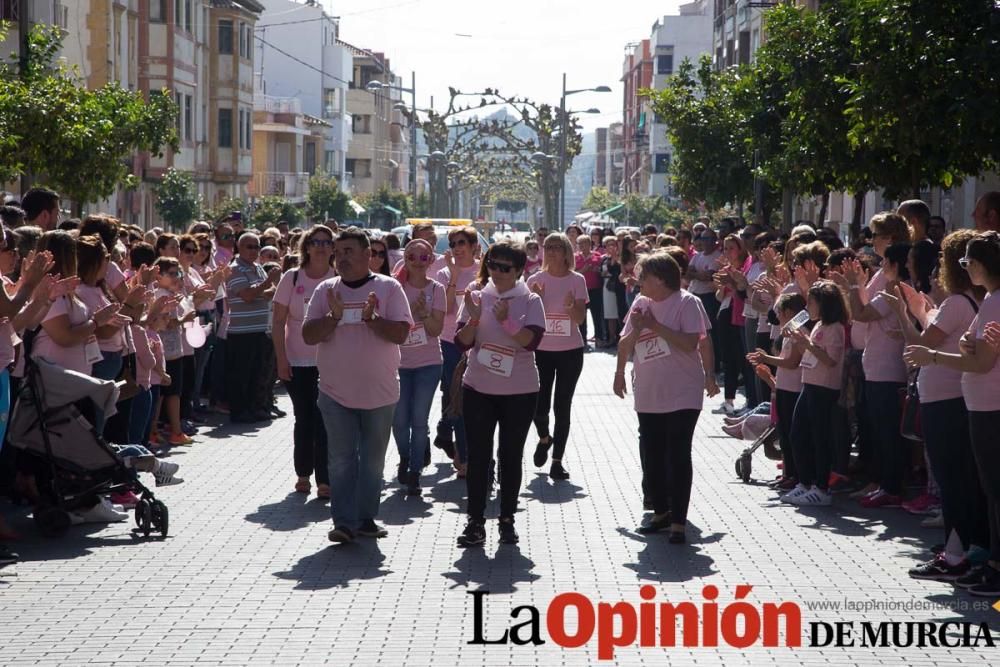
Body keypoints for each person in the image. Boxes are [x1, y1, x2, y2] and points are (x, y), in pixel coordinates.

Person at [879, 230, 987, 581]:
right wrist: (921, 311)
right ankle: (959, 547)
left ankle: (955, 554)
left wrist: (902, 312)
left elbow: (919, 347)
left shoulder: (957, 302)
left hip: (947, 401)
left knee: (953, 480)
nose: (940, 264)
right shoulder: (969, 301)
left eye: (945, 258)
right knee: (960, 478)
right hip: (954, 398)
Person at [905, 231, 1000, 596]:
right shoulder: (987, 300)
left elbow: (981, 362)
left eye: (966, 262)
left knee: (980, 487)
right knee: (983, 488)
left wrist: (934, 356)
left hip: (988, 407)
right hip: (978, 405)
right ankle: (985, 561)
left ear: (977, 265)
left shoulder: (990, 301)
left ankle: (974, 559)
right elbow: (976, 350)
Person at [303, 227, 412, 544]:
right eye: (339, 251)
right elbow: (309, 335)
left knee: (373, 462)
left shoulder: (389, 288)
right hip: (335, 393)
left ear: (368, 255)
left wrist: (373, 319)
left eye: (349, 251)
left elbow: (402, 334)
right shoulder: (326, 290)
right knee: (341, 459)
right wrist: (333, 317)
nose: (342, 257)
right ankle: (344, 522)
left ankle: (365, 518)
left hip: (379, 394)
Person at [454, 241, 545, 547]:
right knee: (478, 457)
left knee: (510, 456)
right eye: (493, 264)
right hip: (479, 387)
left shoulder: (531, 300)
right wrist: (476, 317)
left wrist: (506, 320)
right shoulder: (476, 295)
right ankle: (475, 521)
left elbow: (529, 342)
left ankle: (507, 519)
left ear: (520, 270)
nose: (497, 272)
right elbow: (462, 341)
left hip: (519, 391)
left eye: (505, 268)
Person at [614, 251, 706, 543]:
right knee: (652, 456)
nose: (638, 281)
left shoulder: (688, 302)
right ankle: (661, 513)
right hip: (649, 392)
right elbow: (625, 342)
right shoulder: (641, 304)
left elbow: (691, 343)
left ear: (660, 279)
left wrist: (654, 326)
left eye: (643, 277)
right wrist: (618, 373)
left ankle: (678, 521)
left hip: (683, 392)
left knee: (678, 454)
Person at [837, 235, 912, 508]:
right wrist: (854, 285)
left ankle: (891, 487)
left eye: (885, 262)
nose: (881, 266)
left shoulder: (896, 290)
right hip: (879, 368)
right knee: (880, 432)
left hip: (887, 371)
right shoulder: (892, 289)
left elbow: (861, 313)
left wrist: (856, 285)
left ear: (894, 264)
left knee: (888, 433)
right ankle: (884, 482)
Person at [272, 225, 336, 499]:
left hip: (331, 362)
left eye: (326, 242)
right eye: (316, 241)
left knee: (325, 420)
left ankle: (325, 479)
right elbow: (277, 322)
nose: (321, 246)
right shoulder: (292, 277)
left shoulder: (338, 277)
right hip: (297, 360)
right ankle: (303, 474)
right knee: (304, 418)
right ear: (306, 247)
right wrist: (281, 359)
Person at [780, 281, 849, 507]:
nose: (807, 306)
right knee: (798, 434)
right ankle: (805, 482)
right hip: (809, 382)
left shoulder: (835, 327)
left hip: (824, 387)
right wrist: (798, 340)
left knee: (820, 438)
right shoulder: (819, 325)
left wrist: (807, 343)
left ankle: (821, 487)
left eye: (811, 301)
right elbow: (808, 353)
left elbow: (831, 360)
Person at [527, 233, 587, 480]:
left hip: (570, 352)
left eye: (556, 247)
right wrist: (537, 301)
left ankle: (557, 461)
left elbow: (581, 320)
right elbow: (526, 319)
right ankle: (544, 438)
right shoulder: (534, 280)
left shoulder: (577, 280)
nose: (551, 251)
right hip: (541, 351)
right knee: (538, 406)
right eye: (547, 247)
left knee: (562, 407)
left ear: (566, 252)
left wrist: (573, 307)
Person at [392, 238, 446, 495]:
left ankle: (415, 470)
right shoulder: (394, 288)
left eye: (423, 257)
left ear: (431, 260)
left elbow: (436, 330)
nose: (417, 261)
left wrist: (424, 314)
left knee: (419, 419)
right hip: (398, 363)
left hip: (428, 363)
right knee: (399, 419)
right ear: (405, 259)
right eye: (411, 256)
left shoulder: (437, 289)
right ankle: (405, 457)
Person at [432, 226, 480, 473]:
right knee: (453, 391)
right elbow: (448, 308)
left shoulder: (483, 271)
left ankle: (449, 436)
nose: (457, 248)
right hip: (449, 340)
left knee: (467, 396)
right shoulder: (442, 274)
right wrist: (452, 276)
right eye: (453, 244)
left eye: (462, 243)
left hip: (477, 342)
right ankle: (458, 449)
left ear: (473, 246)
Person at [747, 292, 806, 491]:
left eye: (779, 311)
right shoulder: (788, 332)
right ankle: (788, 473)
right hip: (783, 387)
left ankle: (796, 475)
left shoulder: (800, 331)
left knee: (793, 435)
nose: (777, 316)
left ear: (789, 312)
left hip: (794, 389)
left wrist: (767, 359)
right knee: (784, 435)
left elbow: (792, 362)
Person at [226, 233, 281, 424]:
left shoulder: (257, 268)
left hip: (260, 329)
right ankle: (239, 411)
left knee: (258, 372)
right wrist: (264, 286)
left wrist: (262, 288)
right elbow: (247, 295)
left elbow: (269, 293)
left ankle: (254, 407)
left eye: (256, 247)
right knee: (242, 373)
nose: (253, 251)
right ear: (239, 248)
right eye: (249, 247)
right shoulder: (234, 269)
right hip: (242, 331)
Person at [687, 228, 723, 372]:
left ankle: (714, 364)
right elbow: (688, 273)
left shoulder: (717, 256)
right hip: (695, 294)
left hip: (710, 298)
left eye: (709, 239)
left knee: (709, 332)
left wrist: (697, 274)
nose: (706, 242)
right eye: (703, 239)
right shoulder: (697, 256)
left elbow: (709, 276)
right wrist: (698, 274)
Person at [575, 235, 605, 347]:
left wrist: (597, 270)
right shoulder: (575, 257)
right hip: (581, 290)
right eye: (580, 243)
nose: (582, 246)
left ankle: (599, 338)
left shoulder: (598, 256)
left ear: (589, 244)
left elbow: (602, 270)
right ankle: (583, 340)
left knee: (597, 315)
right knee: (582, 317)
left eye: (584, 243)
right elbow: (572, 272)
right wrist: (583, 270)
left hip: (595, 289)